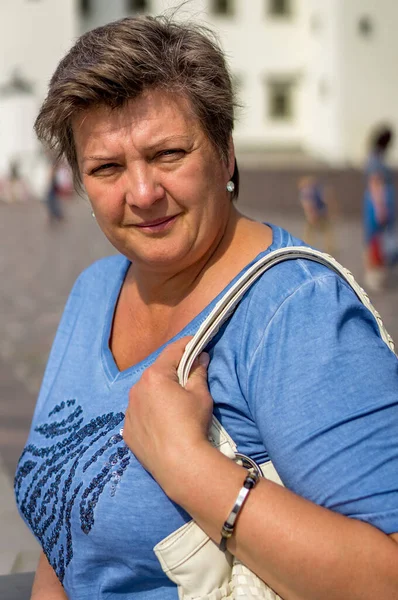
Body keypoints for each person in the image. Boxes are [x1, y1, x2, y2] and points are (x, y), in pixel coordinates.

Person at [14, 15, 398, 600]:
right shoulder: (96, 289)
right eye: (107, 168)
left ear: (226, 155)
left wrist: (187, 464)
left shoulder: (295, 312)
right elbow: (66, 538)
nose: (142, 193)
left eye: (168, 154)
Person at [363, 125, 397, 291]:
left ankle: (376, 271)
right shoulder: (376, 159)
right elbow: (375, 184)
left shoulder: (374, 156)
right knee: (376, 238)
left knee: (377, 238)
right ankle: (373, 273)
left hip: (378, 202)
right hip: (378, 202)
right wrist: (380, 207)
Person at [298, 175, 336, 255]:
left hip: (316, 213)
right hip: (320, 212)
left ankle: (306, 245)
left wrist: (311, 214)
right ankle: (329, 247)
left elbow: (308, 204)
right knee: (323, 230)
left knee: (313, 231)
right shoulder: (315, 190)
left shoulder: (307, 191)